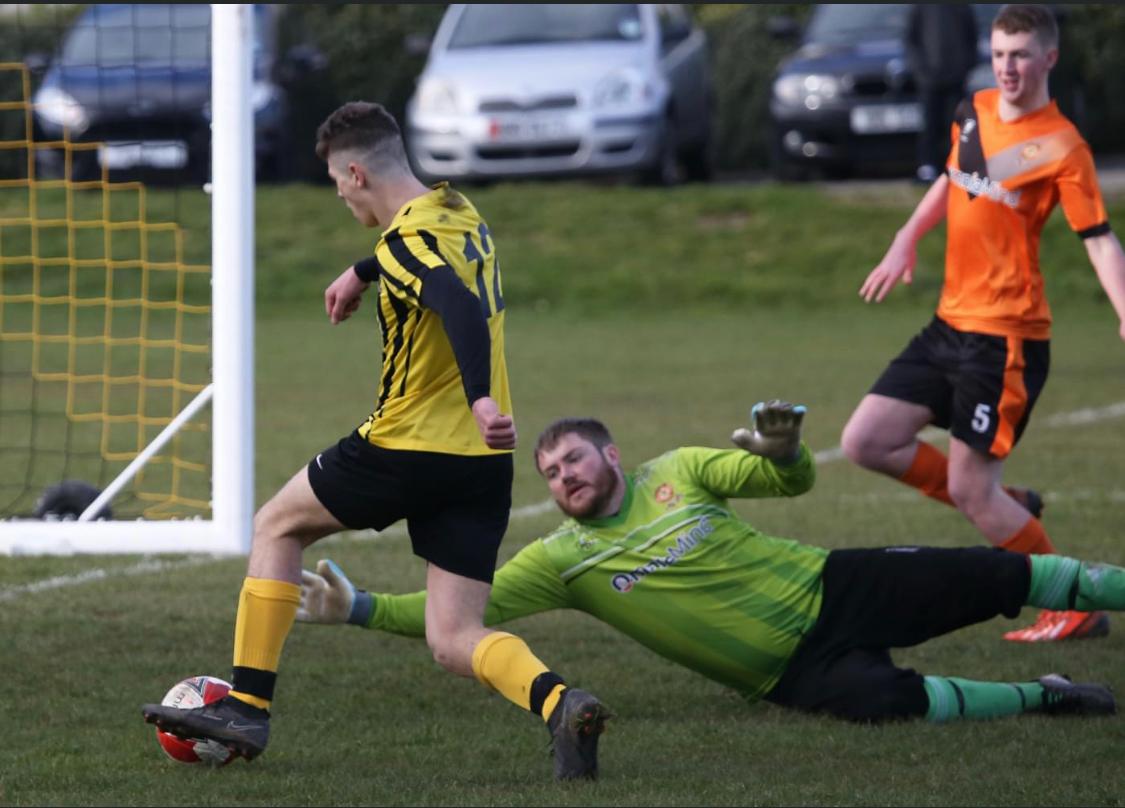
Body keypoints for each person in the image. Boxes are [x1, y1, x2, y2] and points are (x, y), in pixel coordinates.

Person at [142, 101, 608, 781]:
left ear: (356, 174)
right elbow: (426, 262)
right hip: (481, 465)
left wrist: (478, 395)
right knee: (453, 637)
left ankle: (245, 706)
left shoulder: (403, 244)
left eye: (338, 184)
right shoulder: (460, 213)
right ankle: (561, 703)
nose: (341, 196)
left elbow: (455, 303)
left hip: (404, 448)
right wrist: (361, 272)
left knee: (276, 526)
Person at [295, 401, 1121, 725]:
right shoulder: (561, 560)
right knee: (892, 705)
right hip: (787, 676)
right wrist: (359, 608)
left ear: (611, 455)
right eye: (548, 472)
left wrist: (785, 451)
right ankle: (1041, 697)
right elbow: (457, 620)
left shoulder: (681, 471)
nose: (563, 477)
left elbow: (787, 484)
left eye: (573, 459)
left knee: (1000, 576)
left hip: (837, 586)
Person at [841, 4, 1125, 642]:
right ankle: (1010, 507)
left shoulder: (1064, 146)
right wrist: (906, 237)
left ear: (1049, 58)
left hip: (1006, 340)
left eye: (1020, 55)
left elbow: (1100, 240)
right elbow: (953, 181)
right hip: (948, 326)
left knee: (971, 489)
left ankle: (1073, 605)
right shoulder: (974, 109)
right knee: (866, 441)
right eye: (998, 55)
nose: (1007, 68)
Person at [905, 4, 979, 183]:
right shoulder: (920, 7)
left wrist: (964, 67)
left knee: (956, 125)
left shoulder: (962, 7)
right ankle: (927, 168)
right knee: (930, 125)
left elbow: (972, 37)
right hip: (929, 79)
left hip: (956, 79)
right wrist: (921, 71)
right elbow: (911, 40)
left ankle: (956, 167)